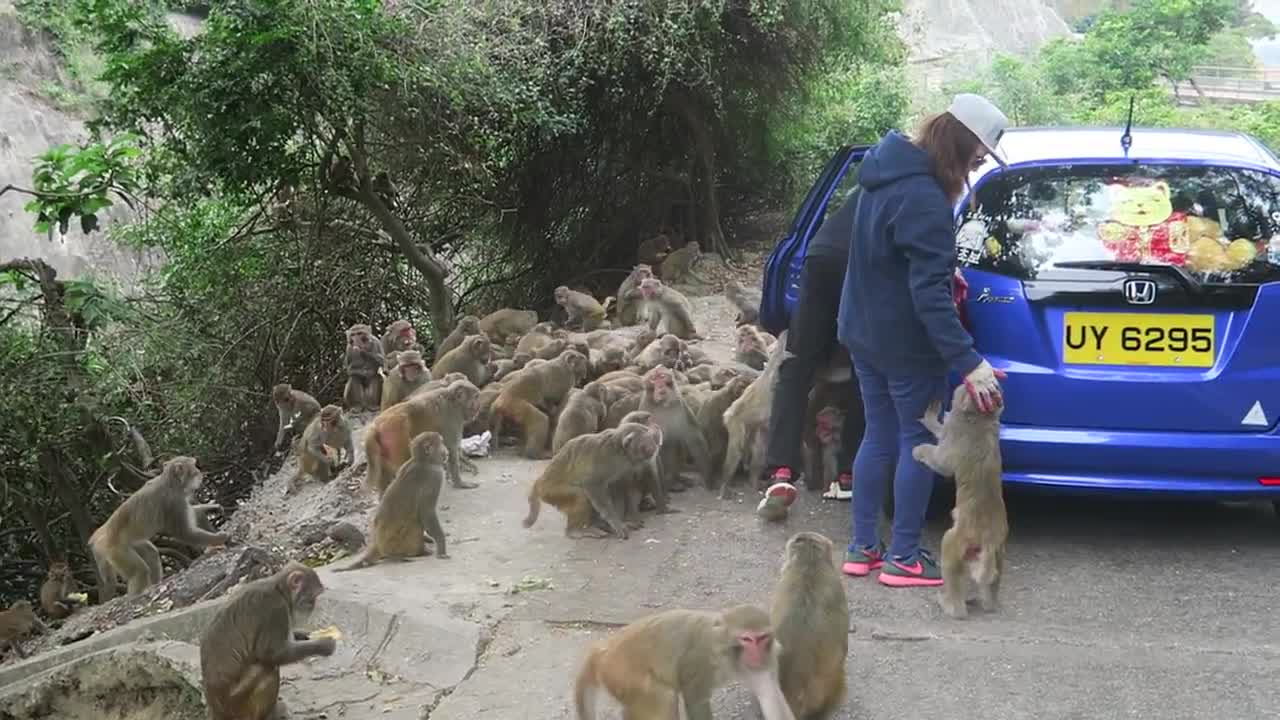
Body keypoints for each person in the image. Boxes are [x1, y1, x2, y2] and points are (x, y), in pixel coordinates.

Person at [836, 94, 1010, 588]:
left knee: (878, 434)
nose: (979, 162)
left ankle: (862, 548)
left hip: (863, 333)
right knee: (916, 440)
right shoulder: (927, 199)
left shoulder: (883, 172)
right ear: (961, 140)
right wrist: (969, 361)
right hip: (907, 346)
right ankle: (905, 557)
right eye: (980, 151)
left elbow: (888, 260)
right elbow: (929, 296)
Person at [762, 190, 866, 501]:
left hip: (820, 255)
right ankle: (849, 472)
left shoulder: (870, 179)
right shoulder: (923, 184)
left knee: (795, 366)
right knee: (866, 369)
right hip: (861, 264)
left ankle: (780, 470)